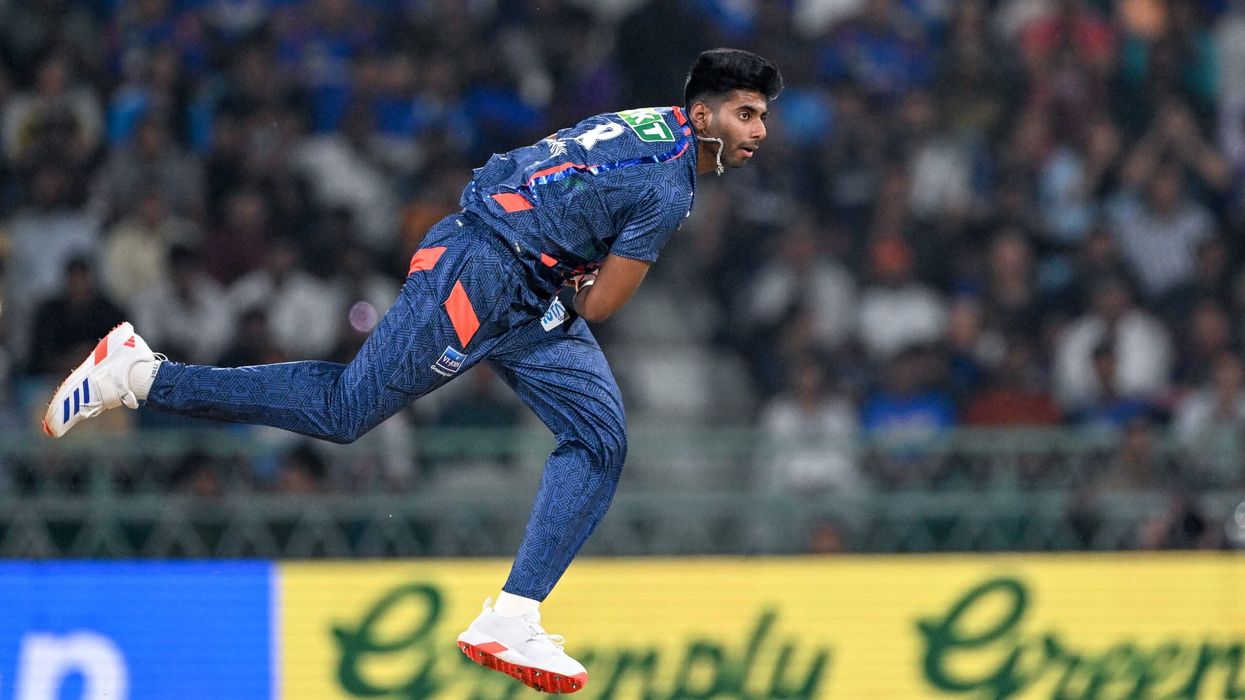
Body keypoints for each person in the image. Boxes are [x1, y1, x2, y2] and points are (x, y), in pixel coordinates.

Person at [42, 48, 782, 694]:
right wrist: (571, 284)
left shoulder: (655, 122)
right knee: (343, 412)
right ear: (703, 112)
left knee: (598, 438)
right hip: (487, 275)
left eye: (763, 115)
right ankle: (140, 375)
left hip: (515, 268)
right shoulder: (670, 184)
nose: (758, 131)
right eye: (745, 114)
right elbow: (603, 308)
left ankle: (512, 616)